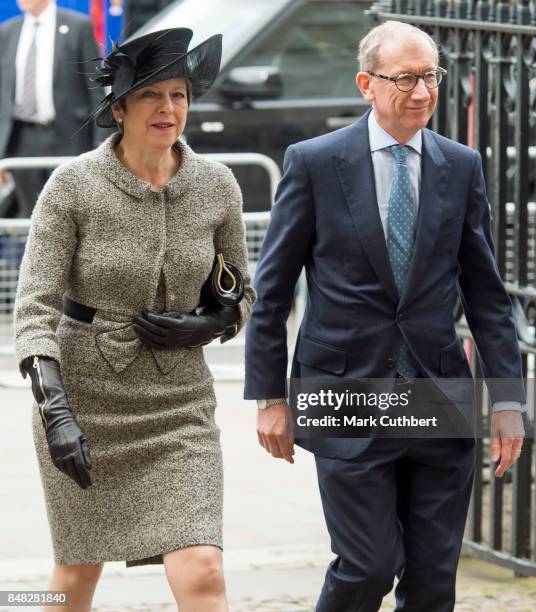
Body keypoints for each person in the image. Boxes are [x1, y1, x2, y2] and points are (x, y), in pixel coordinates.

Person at [244, 20, 526, 611]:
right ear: (366, 84)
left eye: (431, 77)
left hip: (436, 393)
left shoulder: (461, 165)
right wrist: (270, 397)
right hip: (347, 393)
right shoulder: (315, 163)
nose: (421, 92)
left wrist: (507, 403)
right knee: (368, 566)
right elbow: (271, 291)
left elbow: (487, 295)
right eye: (405, 79)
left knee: (431, 583)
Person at [14, 27, 255, 612]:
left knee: (202, 569)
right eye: (151, 95)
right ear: (118, 108)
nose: (169, 109)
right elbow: (34, 309)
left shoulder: (216, 184)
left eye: (179, 94)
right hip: (84, 403)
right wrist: (57, 414)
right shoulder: (72, 186)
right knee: (74, 580)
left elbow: (242, 292)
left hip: (179, 404)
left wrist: (209, 325)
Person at [0, 0, 103, 217]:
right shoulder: (7, 32)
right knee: (32, 219)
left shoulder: (78, 27)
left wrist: (102, 146)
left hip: (69, 139)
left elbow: (96, 91)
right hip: (21, 142)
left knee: (72, 215)